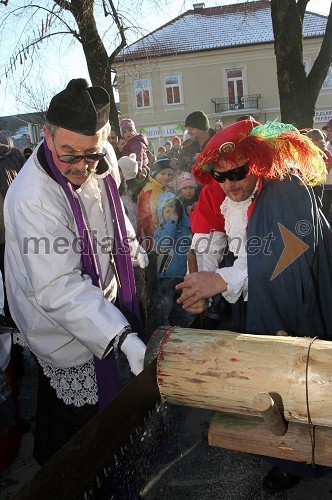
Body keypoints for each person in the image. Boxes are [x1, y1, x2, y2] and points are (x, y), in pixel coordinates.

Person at [176, 119, 332, 492]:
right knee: (269, 378)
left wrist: (220, 281)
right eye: (221, 175)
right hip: (255, 300)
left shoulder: (285, 189)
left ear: (257, 162)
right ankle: (287, 454)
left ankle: (314, 456)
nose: (230, 183)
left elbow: (287, 256)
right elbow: (206, 241)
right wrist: (200, 286)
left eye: (239, 173)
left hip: (298, 298)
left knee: (305, 375)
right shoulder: (221, 189)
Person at [4, 78, 147, 466]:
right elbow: (58, 286)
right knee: (74, 427)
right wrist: (121, 336)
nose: (82, 166)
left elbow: (114, 215)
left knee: (108, 409)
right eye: (68, 153)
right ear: (47, 137)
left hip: (105, 301)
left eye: (91, 153)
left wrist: (132, 247)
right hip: (60, 324)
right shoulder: (33, 196)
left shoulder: (100, 161)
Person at [148, 192, 193, 332]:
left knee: (184, 308)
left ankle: (180, 331)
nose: (172, 214)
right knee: (163, 309)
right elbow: (164, 246)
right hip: (166, 277)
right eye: (167, 211)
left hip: (183, 276)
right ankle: (160, 334)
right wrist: (171, 223)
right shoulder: (160, 230)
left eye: (175, 211)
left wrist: (188, 216)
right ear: (161, 213)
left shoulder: (186, 227)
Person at [306, 128, 332, 222]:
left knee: (321, 208)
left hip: (320, 186)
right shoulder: (307, 155)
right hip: (307, 186)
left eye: (322, 138)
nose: (321, 141)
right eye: (316, 140)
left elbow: (324, 174)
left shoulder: (326, 154)